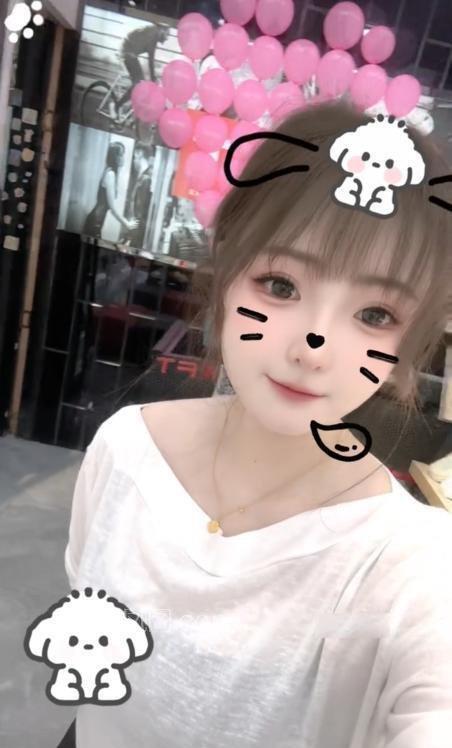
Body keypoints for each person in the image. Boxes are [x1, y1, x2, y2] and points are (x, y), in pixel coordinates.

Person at [64, 100, 452, 748]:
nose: (313, 348)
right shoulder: (126, 450)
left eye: (375, 315)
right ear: (227, 270)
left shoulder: (412, 566)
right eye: (280, 284)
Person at [83, 141, 138, 239]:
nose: (123, 158)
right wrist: (126, 223)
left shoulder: (111, 173)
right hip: (95, 222)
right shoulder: (110, 174)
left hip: (97, 220)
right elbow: (112, 208)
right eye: (121, 154)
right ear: (115, 157)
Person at [116, 24, 170, 109]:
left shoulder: (153, 33)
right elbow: (151, 60)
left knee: (140, 83)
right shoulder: (152, 34)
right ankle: (117, 106)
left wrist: (153, 78)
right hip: (127, 52)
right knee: (138, 84)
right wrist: (153, 79)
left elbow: (151, 60)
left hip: (130, 53)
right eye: (167, 34)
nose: (167, 38)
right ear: (161, 30)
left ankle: (128, 103)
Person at [123, 142, 154, 249]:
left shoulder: (145, 179)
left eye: (135, 157)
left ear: (139, 154)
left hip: (137, 231)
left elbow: (139, 212)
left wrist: (132, 234)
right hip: (135, 229)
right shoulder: (142, 177)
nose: (133, 161)